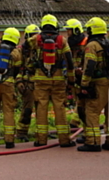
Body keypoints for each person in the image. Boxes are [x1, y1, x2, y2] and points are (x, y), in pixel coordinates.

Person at [30, 14, 76, 147]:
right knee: (60, 108)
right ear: (55, 25)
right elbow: (70, 62)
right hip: (58, 80)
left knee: (41, 108)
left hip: (40, 79)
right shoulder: (62, 40)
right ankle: (64, 140)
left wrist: (31, 65)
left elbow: (24, 49)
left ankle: (41, 140)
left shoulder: (35, 39)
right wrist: (71, 80)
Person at [77, 17, 109, 152]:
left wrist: (84, 83)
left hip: (100, 83)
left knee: (92, 111)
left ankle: (93, 142)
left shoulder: (92, 46)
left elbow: (90, 65)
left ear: (91, 30)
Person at [0, 27, 23, 148]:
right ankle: (9, 141)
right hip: (8, 83)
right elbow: (17, 70)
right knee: (8, 111)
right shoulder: (16, 53)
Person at [64, 18, 87, 144]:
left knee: (86, 105)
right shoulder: (71, 45)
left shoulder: (87, 43)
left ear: (76, 31)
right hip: (76, 79)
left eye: (69, 31)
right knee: (80, 102)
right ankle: (76, 123)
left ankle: (87, 133)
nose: (67, 34)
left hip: (85, 78)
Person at [15, 24, 39, 142]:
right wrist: (19, 81)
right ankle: (21, 132)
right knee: (27, 109)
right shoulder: (22, 51)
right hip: (28, 84)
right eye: (32, 36)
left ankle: (41, 133)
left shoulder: (41, 49)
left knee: (41, 109)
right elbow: (18, 67)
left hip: (40, 84)